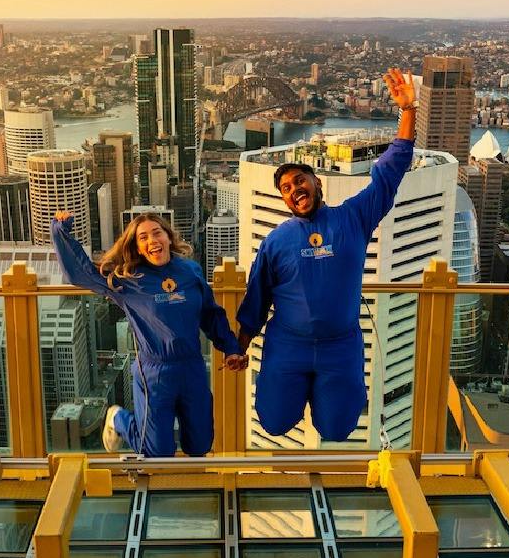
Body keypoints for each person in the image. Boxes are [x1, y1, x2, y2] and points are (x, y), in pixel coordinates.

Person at [237, 67, 416, 442]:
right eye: (286, 188)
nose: (294, 189)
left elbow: (390, 172)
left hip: (341, 345)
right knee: (273, 422)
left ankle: (327, 402)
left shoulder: (353, 217)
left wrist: (408, 111)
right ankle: (296, 393)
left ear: (317, 182)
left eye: (300, 180)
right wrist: (240, 346)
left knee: (338, 428)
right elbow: (256, 300)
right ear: (284, 199)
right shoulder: (276, 241)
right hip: (288, 343)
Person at [51, 209, 245, 456]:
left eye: (157, 233)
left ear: (168, 237)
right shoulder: (127, 279)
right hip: (155, 371)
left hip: (192, 366)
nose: (152, 240)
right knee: (156, 451)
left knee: (200, 445)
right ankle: (118, 418)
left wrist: (230, 348)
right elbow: (80, 273)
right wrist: (60, 230)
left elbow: (210, 314)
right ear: (137, 248)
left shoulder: (190, 271)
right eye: (143, 238)